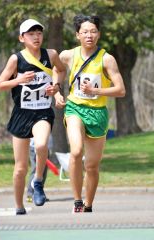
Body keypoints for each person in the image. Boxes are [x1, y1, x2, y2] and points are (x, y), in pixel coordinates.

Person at [54, 14, 126, 213]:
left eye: (93, 31)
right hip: (75, 108)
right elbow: (57, 69)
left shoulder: (107, 59)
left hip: (97, 113)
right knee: (76, 151)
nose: (89, 35)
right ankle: (77, 200)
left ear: (99, 34)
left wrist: (96, 91)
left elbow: (120, 90)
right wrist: (57, 90)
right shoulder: (68, 55)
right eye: (85, 32)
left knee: (92, 166)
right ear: (77, 35)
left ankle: (88, 203)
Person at [0, 18, 65, 215]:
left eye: (39, 33)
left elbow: (61, 70)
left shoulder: (51, 55)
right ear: (22, 38)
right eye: (31, 34)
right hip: (21, 113)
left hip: (43, 111)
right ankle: (19, 205)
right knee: (20, 168)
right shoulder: (16, 59)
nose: (36, 37)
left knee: (42, 145)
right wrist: (19, 80)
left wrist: (57, 86)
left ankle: (37, 182)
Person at [26, 135, 53, 202]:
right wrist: (37, 149)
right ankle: (30, 194)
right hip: (36, 148)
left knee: (43, 171)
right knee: (35, 170)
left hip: (45, 148)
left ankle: (39, 193)